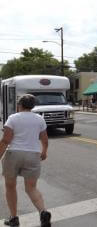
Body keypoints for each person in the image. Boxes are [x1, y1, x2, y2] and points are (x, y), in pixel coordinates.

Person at [0, 94, 52, 227]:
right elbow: (44, 139)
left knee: (10, 186)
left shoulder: (13, 118)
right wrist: (44, 151)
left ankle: (14, 218)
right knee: (31, 188)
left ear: (20, 105)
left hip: (14, 154)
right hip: (33, 155)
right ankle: (43, 212)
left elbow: (6, 140)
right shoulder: (39, 119)